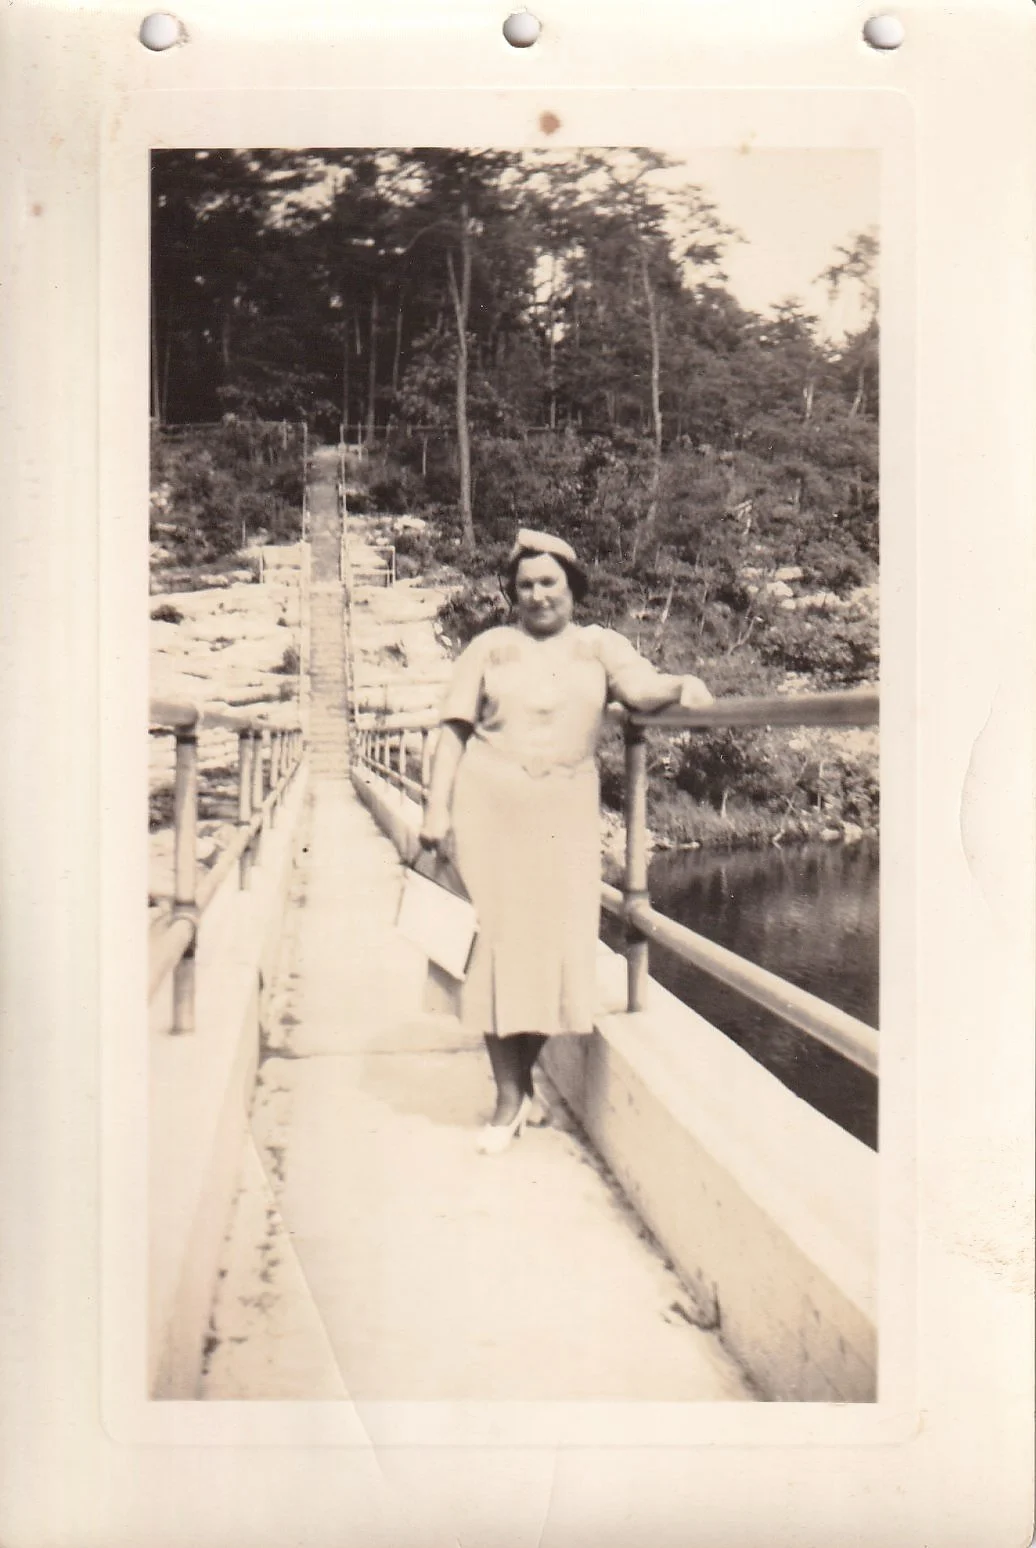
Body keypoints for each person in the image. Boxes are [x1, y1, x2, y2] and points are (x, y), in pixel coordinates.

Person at [418, 528, 714, 1154]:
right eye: (525, 585)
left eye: (548, 582)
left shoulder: (598, 646)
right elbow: (451, 733)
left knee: (555, 956)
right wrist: (434, 812)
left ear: (572, 588)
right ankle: (507, 1101)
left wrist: (680, 684)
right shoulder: (491, 648)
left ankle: (522, 1086)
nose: (537, 595)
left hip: (564, 820)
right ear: (513, 593)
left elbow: (639, 687)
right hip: (488, 812)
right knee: (494, 956)